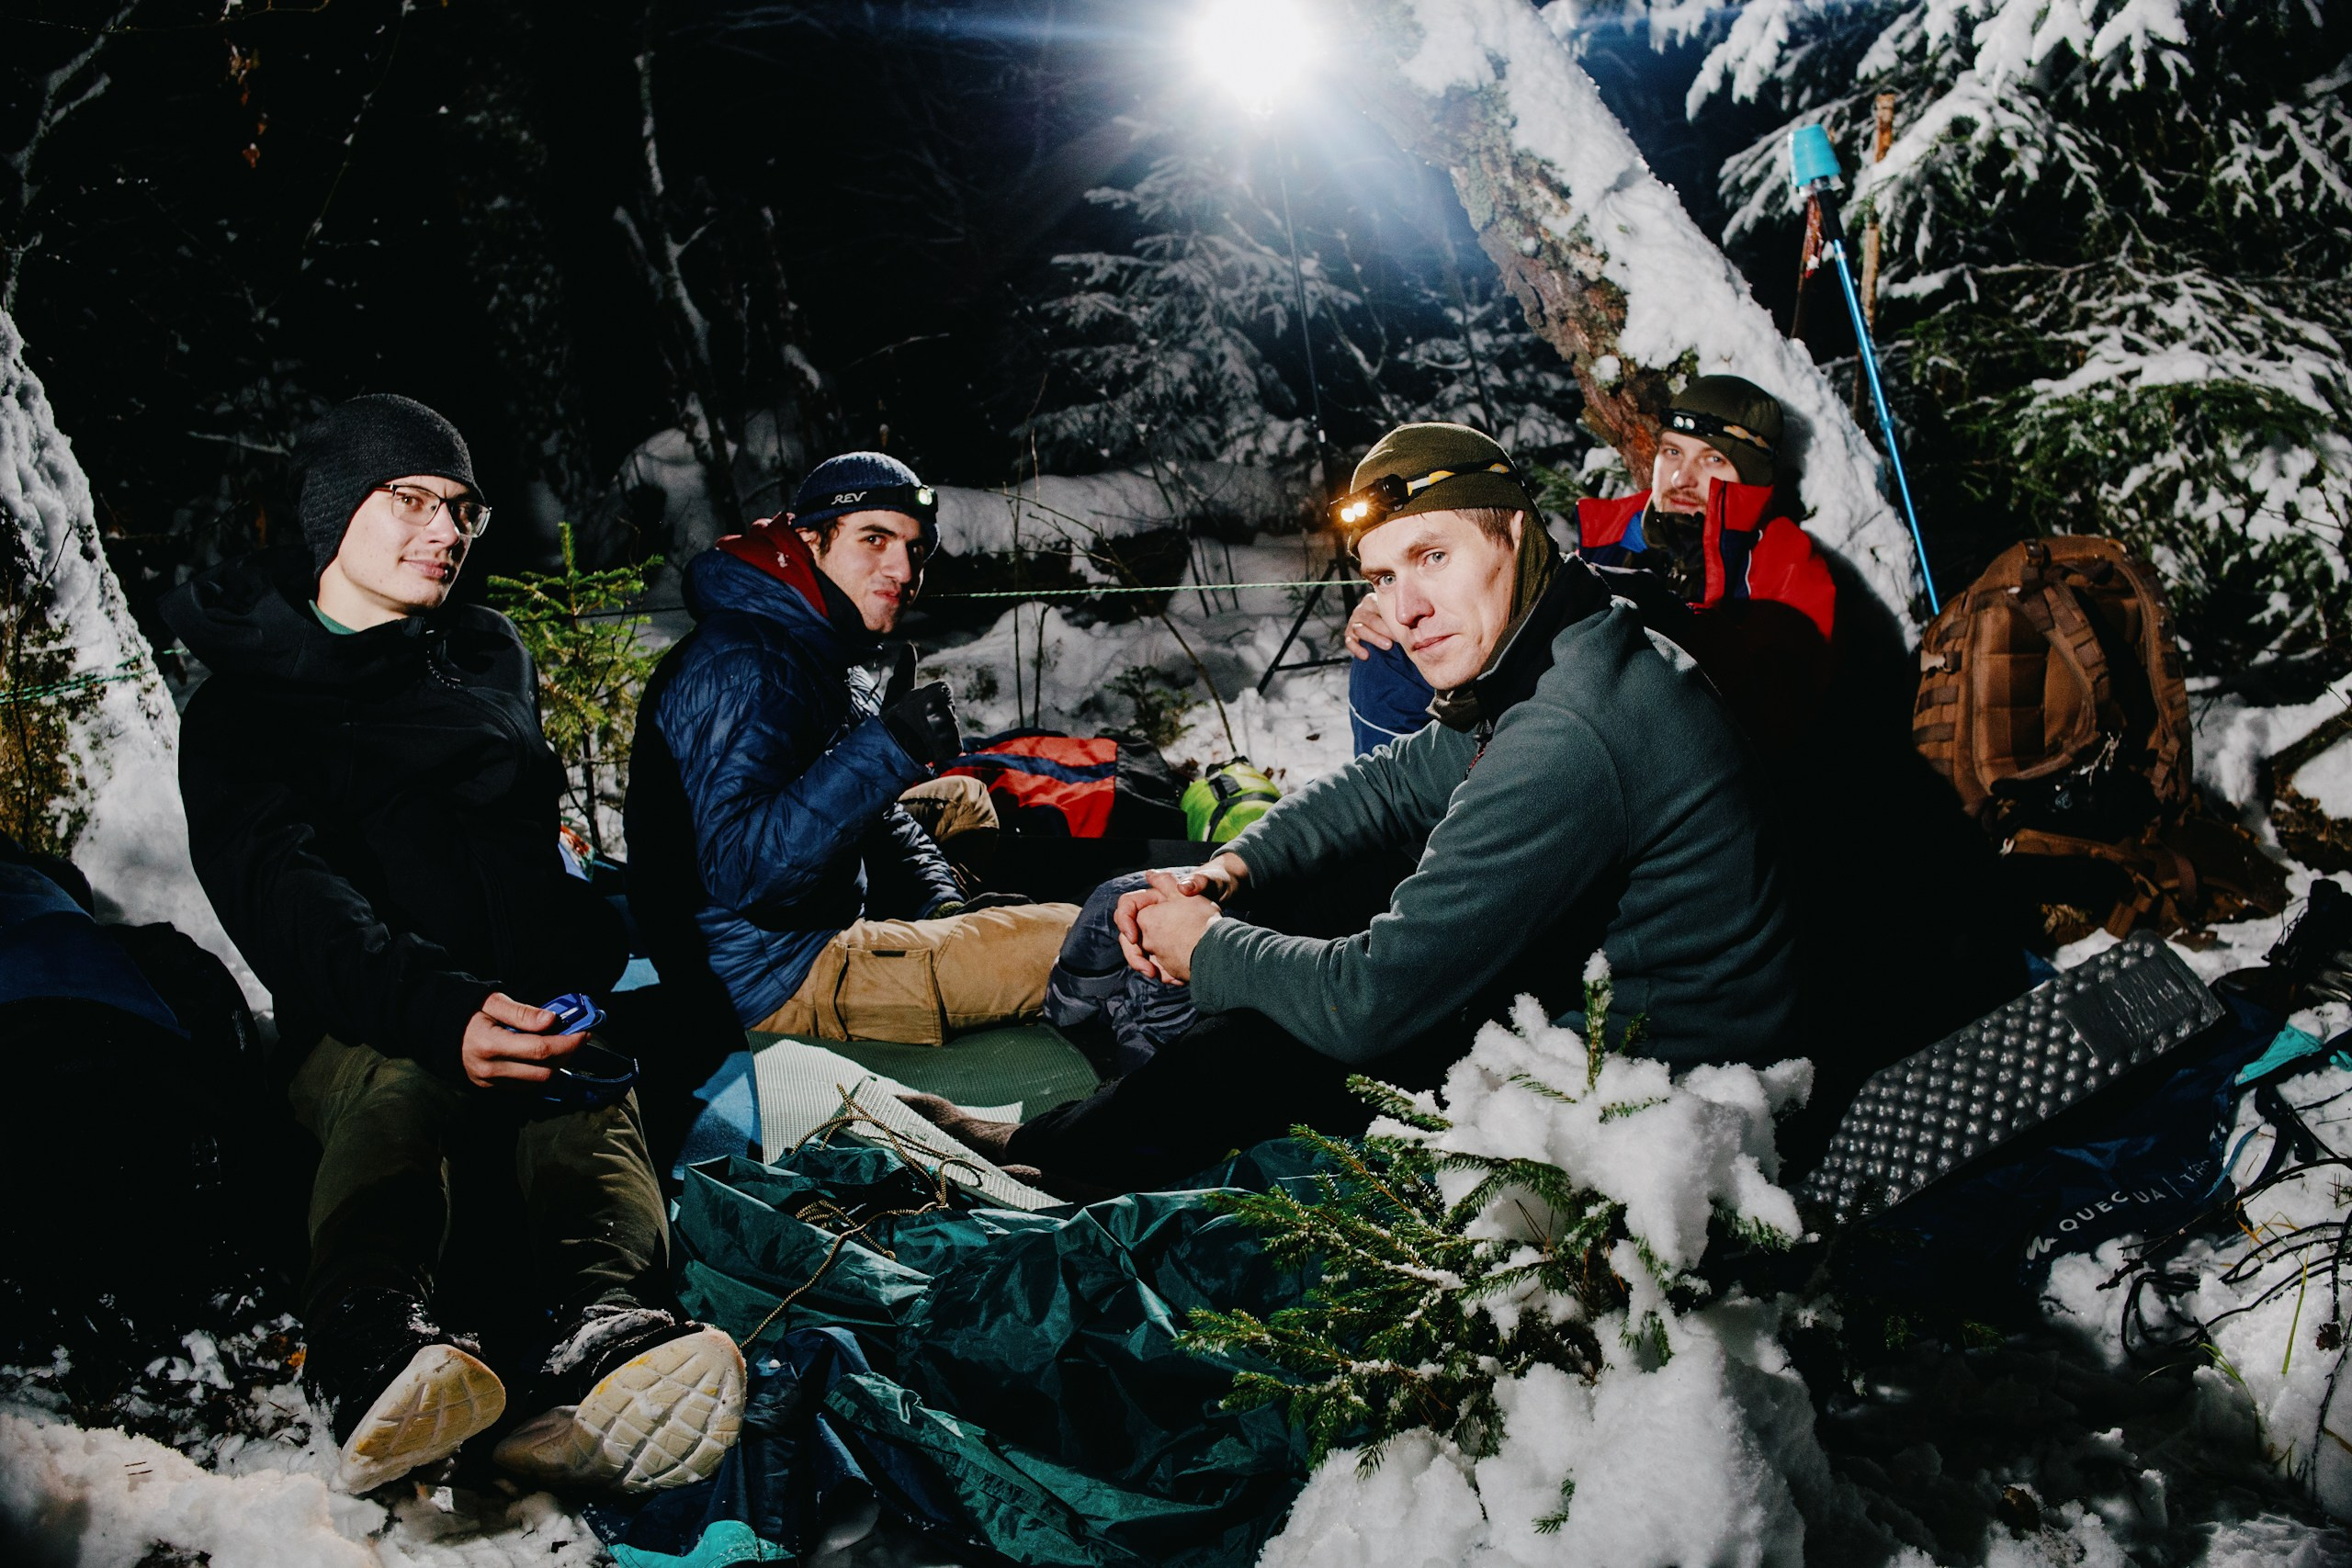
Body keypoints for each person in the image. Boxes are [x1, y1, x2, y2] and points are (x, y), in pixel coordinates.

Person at [911, 423, 1800, 1192]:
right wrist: (1230, 867)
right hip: (1605, 1010)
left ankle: (1062, 1161)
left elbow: (1369, 1001)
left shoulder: (1568, 730)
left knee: (1304, 1033)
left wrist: (1207, 946)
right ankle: (1126, 1112)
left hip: (1659, 1106)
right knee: (1320, 883)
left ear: (1515, 536)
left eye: (1432, 557)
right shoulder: (1564, 641)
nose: (1405, 610)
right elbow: (1391, 781)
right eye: (1379, 577)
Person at [163, 395, 742, 1496]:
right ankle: (369, 1341)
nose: (448, 530)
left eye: (463, 508)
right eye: (412, 500)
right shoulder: (243, 703)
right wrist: (442, 1006)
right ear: (336, 511)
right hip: (371, 1023)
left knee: (587, 1082)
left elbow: (527, 851)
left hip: (525, 1008)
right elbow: (291, 900)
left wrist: (578, 967)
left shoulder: (485, 651)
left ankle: (606, 1328)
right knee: (399, 1073)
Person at [625, 452, 1078, 1045]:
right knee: (1073, 937)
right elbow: (746, 873)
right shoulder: (746, 662)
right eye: (875, 538)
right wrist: (889, 747)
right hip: (770, 975)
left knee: (965, 799)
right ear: (810, 540)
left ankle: (935, 928)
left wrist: (940, 908)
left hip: (797, 919)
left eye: (916, 549)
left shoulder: (810, 640)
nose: (904, 568)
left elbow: (877, 817)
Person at [1346, 376, 1836, 759]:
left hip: (1660, 751)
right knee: (1384, 651)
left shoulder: (1786, 563)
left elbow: (1776, 718)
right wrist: (1401, 593)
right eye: (1671, 452)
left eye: (1712, 460)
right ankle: (1412, 838)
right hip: (1555, 714)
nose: (1682, 477)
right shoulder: (1618, 529)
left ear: (1749, 479)